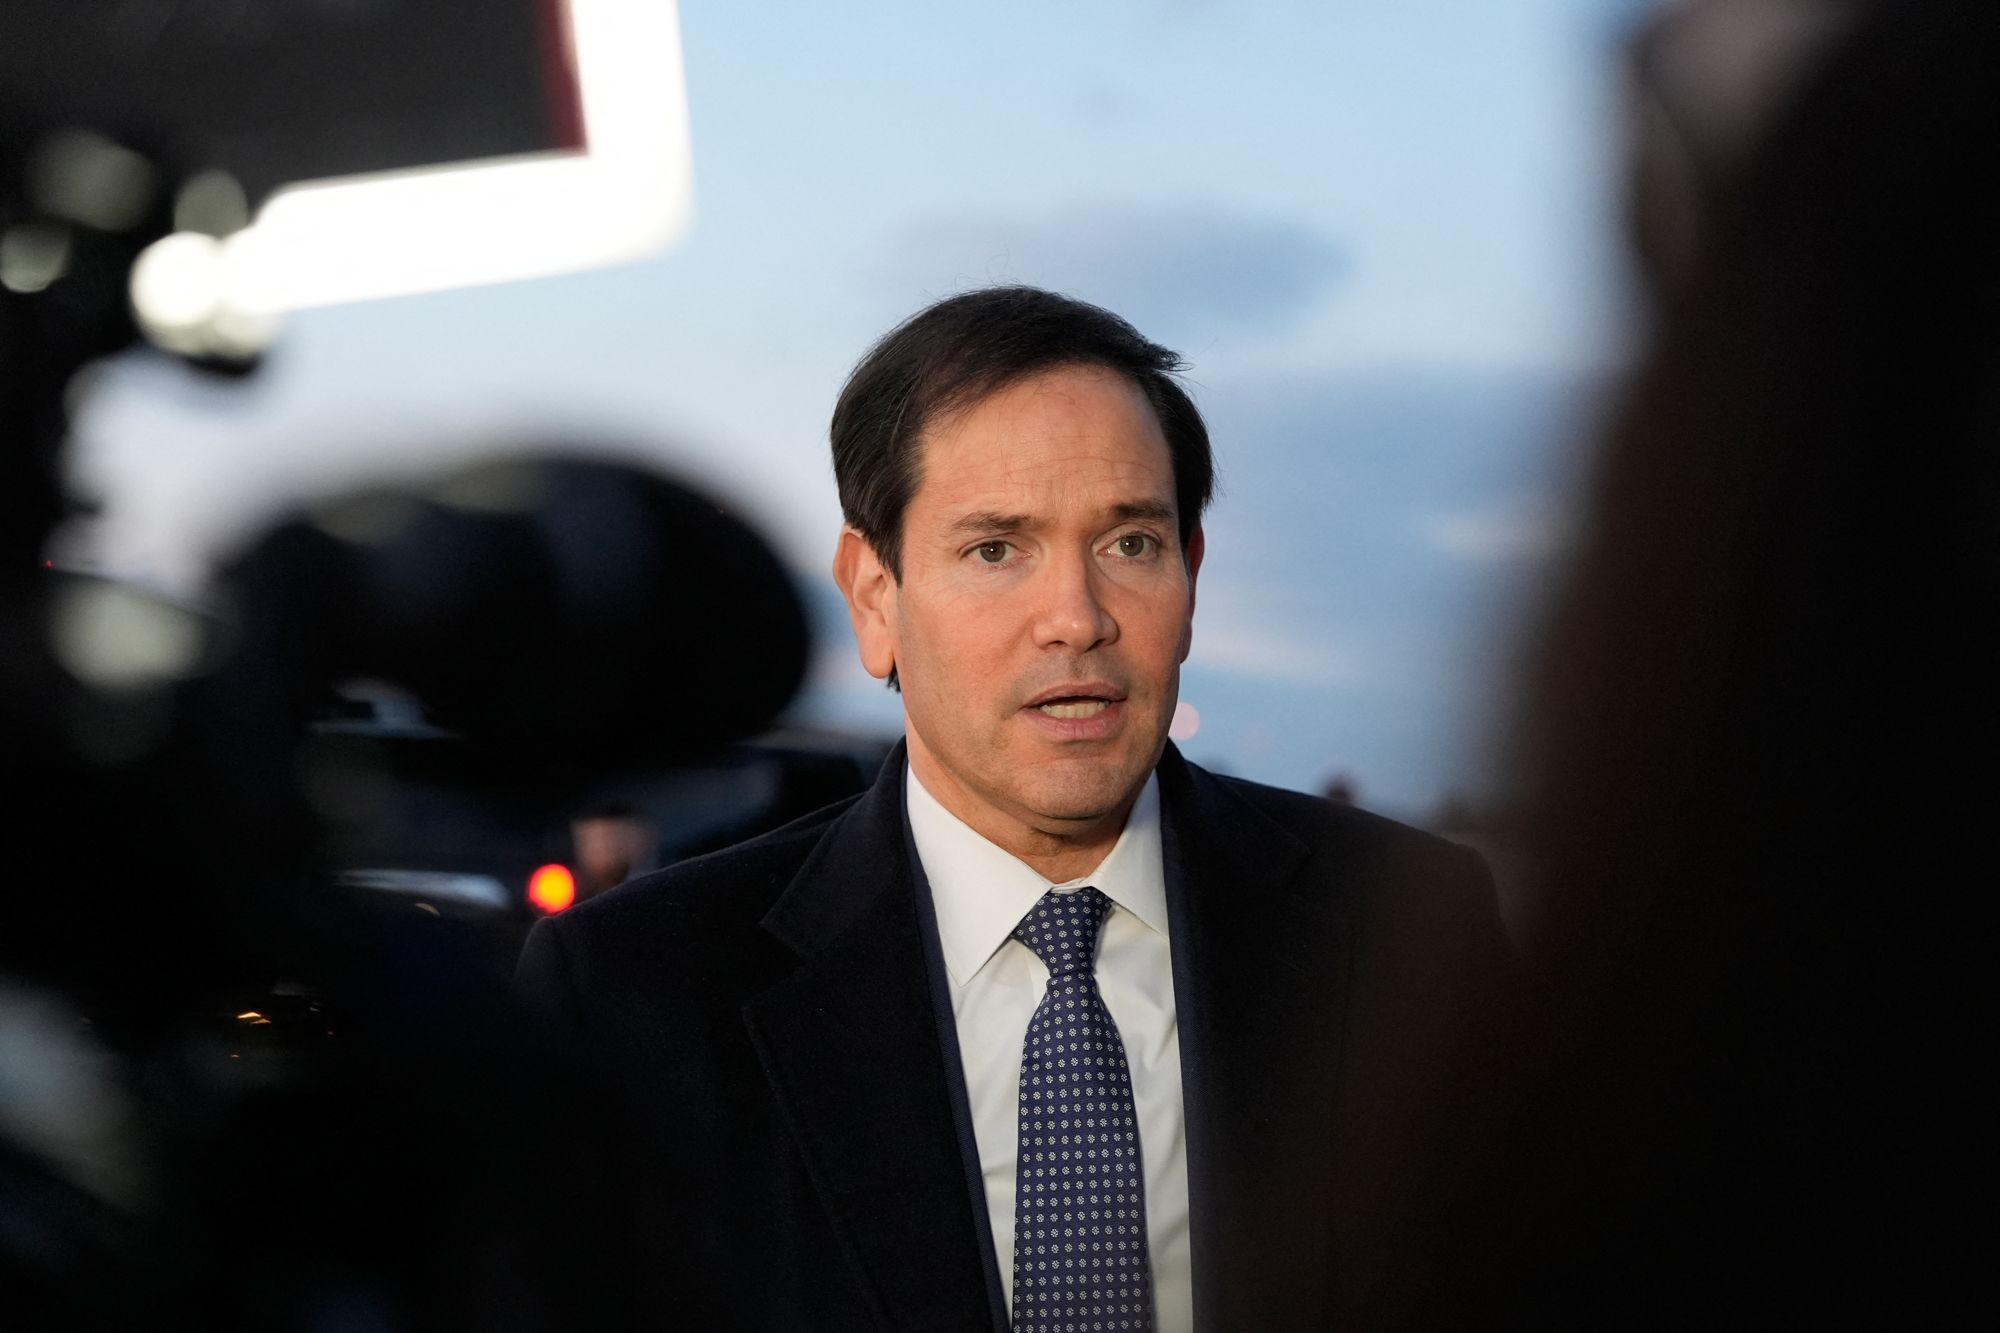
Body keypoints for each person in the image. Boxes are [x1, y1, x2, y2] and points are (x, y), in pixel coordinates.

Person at [516, 287, 1509, 1331]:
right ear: (874, 596)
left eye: (1129, 543)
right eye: (996, 549)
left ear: (1190, 574)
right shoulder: (634, 1000)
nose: (1076, 618)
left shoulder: (1411, 930)